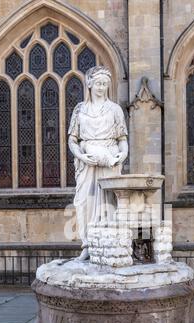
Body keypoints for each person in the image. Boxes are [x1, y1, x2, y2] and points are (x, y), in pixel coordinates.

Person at [68, 66, 129, 261]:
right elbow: (72, 140)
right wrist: (81, 156)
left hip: (109, 160)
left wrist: (123, 155)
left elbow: (122, 139)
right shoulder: (80, 109)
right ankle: (87, 245)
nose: (102, 87)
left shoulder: (115, 109)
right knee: (83, 201)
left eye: (105, 84)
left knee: (108, 203)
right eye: (98, 83)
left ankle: (107, 244)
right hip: (87, 162)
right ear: (89, 84)